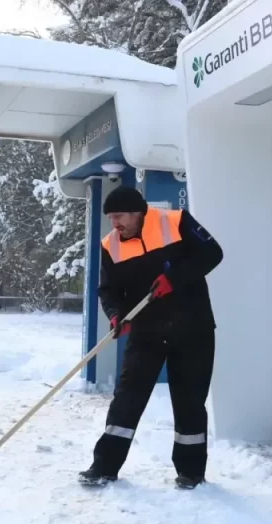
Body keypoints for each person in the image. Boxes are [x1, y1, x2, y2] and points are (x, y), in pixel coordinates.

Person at [79, 187, 223, 490]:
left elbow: (212, 253)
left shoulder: (177, 221)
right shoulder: (111, 245)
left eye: (118, 216)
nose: (114, 223)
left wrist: (174, 279)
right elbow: (108, 290)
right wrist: (116, 314)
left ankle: (191, 472)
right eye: (110, 217)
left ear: (136, 212)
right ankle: (104, 466)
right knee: (127, 399)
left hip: (192, 328)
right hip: (146, 331)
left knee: (189, 401)